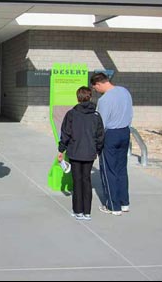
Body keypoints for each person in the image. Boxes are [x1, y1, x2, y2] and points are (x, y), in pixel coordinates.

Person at [58, 87, 104, 221]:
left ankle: (77, 210)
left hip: (75, 152)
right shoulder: (96, 116)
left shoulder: (71, 114)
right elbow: (100, 135)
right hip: (89, 152)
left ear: (78, 98)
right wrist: (98, 150)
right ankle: (87, 212)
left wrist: (61, 150)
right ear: (90, 97)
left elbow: (65, 133)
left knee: (77, 181)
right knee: (86, 180)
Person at [90, 72, 133, 216]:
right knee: (121, 169)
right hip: (125, 132)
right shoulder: (124, 91)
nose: (96, 91)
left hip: (110, 135)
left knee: (109, 170)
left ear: (99, 83)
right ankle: (124, 202)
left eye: (95, 88)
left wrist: (96, 142)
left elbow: (101, 124)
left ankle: (113, 206)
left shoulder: (104, 100)